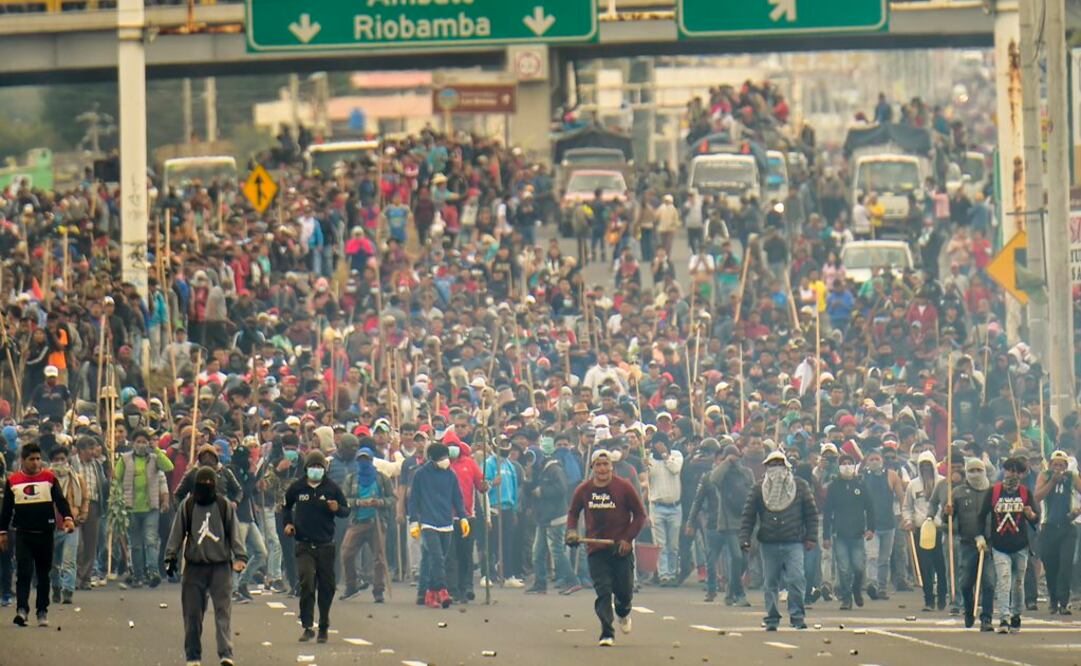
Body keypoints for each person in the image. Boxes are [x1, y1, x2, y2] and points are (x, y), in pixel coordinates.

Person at [164, 466, 247, 666]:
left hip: (220, 566)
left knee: (223, 612)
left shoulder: (223, 505)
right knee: (192, 614)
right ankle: (193, 655)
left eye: (210, 485)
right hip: (194, 567)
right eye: (202, 485)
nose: (206, 488)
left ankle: (226, 653)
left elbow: (234, 533)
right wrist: (171, 558)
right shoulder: (188, 505)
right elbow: (177, 533)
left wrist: (240, 556)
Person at [566, 449, 647, 647]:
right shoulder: (583, 489)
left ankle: (623, 611)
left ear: (611, 466)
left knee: (624, 591)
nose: (602, 469)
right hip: (596, 549)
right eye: (598, 465)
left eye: (606, 464)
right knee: (603, 590)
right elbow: (573, 513)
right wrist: (571, 532)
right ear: (593, 467)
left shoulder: (624, 487)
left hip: (620, 548)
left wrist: (628, 539)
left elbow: (639, 515)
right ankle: (606, 632)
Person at [739, 449, 818, 631]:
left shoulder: (800, 486)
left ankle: (797, 616)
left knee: (797, 579)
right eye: (772, 465)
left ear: (786, 466)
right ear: (766, 467)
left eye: (779, 464)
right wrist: (745, 538)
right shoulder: (759, 488)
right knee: (770, 582)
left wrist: (811, 537)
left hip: (794, 541)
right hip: (769, 541)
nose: (776, 468)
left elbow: (811, 513)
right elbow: (748, 516)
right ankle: (772, 618)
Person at [0, 440, 75, 627]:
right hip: (23, 534)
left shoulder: (49, 479)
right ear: (23, 460)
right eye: (31, 459)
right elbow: (6, 511)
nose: (35, 463)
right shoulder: (13, 481)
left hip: (45, 533)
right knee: (24, 573)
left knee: (43, 574)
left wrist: (67, 517)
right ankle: (22, 610)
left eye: (38, 459)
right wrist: (2, 532)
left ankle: (42, 611)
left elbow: (60, 500)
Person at [283, 450, 350, 643]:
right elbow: (286, 507)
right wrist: (287, 524)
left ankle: (324, 624)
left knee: (327, 586)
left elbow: (345, 510)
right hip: (303, 544)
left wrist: (337, 509)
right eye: (312, 467)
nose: (316, 470)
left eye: (319, 467)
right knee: (306, 582)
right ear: (306, 469)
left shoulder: (332, 488)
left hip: (326, 545)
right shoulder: (297, 487)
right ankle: (306, 625)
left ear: (325, 469)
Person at [931, 457, 994, 630]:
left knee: (988, 582)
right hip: (967, 543)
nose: (975, 474)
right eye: (971, 470)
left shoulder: (993, 492)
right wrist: (947, 513)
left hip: (989, 543)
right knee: (966, 582)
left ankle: (986, 618)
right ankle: (968, 609)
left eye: (979, 470)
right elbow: (947, 518)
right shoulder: (957, 492)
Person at [980, 456, 1040, 634]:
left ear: (1021, 474)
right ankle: (1004, 618)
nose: (1012, 473)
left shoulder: (1025, 493)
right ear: (1003, 471)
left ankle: (1016, 615)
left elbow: (1035, 520)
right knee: (1004, 581)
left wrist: (1031, 514)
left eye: (1016, 470)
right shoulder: (994, 492)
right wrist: (980, 536)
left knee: (1018, 583)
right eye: (1009, 469)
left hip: (1020, 545)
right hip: (999, 545)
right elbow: (982, 515)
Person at [408, 442, 468, 609]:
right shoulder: (420, 475)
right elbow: (413, 500)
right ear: (432, 459)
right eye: (442, 458)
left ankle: (427, 593)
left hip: (446, 523)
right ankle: (442, 589)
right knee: (437, 558)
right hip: (428, 523)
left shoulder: (451, 475)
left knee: (432, 559)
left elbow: (458, 497)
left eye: (446, 457)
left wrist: (463, 517)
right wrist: (413, 521)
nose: (445, 460)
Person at [115, 428, 175, 587]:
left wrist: (156, 450)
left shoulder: (155, 459)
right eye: (138, 442)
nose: (141, 445)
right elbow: (116, 478)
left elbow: (169, 467)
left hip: (151, 508)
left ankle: (153, 572)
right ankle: (138, 575)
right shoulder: (125, 459)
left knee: (150, 540)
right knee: (135, 544)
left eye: (144, 442)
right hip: (131, 508)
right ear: (133, 443)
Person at [340, 447, 394, 603]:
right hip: (357, 522)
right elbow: (344, 500)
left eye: (366, 460)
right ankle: (352, 585)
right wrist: (358, 502)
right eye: (361, 460)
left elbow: (392, 498)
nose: (363, 463)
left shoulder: (382, 479)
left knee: (379, 558)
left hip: (376, 522)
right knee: (346, 553)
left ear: (371, 461)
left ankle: (378, 590)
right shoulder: (351, 479)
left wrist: (380, 502)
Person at [822, 453, 874, 610]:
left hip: (858, 534)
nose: (846, 466)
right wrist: (826, 535)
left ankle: (857, 590)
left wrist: (871, 528)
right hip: (840, 534)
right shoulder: (834, 487)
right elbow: (827, 512)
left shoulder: (860, 485)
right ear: (839, 467)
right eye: (843, 463)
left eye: (849, 463)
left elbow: (870, 508)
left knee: (858, 567)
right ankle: (846, 598)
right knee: (843, 568)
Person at [1034, 449, 1081, 615]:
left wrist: (1077, 511)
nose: (1058, 468)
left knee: (1065, 565)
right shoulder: (1045, 476)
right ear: (1050, 464)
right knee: (1051, 565)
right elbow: (1037, 497)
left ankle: (1063, 601)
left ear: (1066, 466)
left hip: (1067, 528)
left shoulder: (1072, 477)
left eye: (1062, 465)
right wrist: (1052, 482)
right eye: (1055, 465)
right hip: (1048, 527)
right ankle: (1053, 599)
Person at [48, 445, 87, 606]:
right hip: (50, 524)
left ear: (67, 460)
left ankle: (68, 590)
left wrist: (83, 514)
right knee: (52, 562)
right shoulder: (45, 479)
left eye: (62, 459)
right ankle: (56, 587)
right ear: (51, 462)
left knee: (69, 560)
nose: (60, 462)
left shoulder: (77, 479)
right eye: (56, 460)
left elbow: (85, 499)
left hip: (71, 523)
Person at [646, 434, 683, 586]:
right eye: (657, 444)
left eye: (662, 443)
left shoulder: (676, 455)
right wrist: (645, 466)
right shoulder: (649, 459)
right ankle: (664, 575)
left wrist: (665, 455)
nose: (659, 446)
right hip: (657, 506)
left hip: (674, 506)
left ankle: (673, 572)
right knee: (660, 544)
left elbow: (675, 469)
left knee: (673, 545)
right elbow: (648, 479)